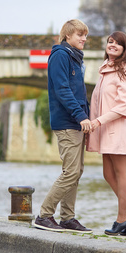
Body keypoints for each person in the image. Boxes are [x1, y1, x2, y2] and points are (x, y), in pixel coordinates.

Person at [34, 19, 93, 233]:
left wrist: (87, 116)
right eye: (80, 35)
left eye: (85, 35)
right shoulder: (60, 56)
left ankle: (68, 218)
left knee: (76, 171)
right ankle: (44, 215)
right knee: (70, 172)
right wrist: (80, 116)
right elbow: (62, 90)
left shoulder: (75, 58)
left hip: (76, 123)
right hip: (67, 123)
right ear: (68, 36)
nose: (84, 38)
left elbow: (79, 94)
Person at [87, 31, 126, 237]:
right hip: (107, 126)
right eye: (110, 42)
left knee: (121, 171)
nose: (112, 45)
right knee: (108, 173)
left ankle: (122, 220)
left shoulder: (123, 70)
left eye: (118, 44)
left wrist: (98, 122)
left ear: (125, 49)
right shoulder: (106, 69)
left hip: (119, 125)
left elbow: (124, 105)